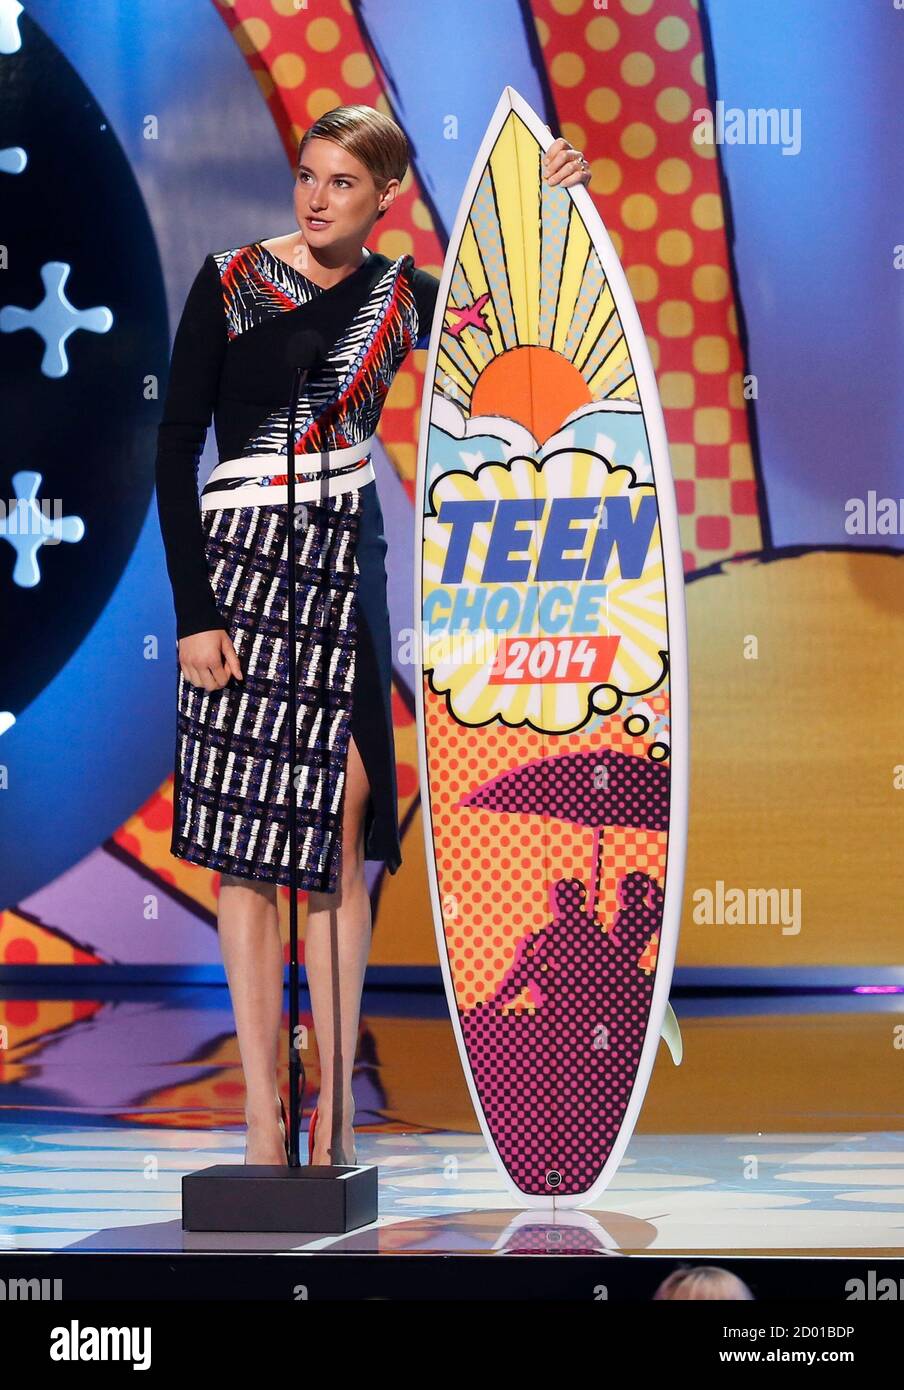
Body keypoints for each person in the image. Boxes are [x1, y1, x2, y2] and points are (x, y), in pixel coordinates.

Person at [154, 103, 591, 1167]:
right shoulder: (230, 283)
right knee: (248, 849)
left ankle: (336, 1112)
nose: (314, 196)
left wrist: (563, 210)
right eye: (307, 175)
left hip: (343, 570)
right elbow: (175, 450)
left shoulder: (400, 297)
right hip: (239, 572)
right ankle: (263, 1117)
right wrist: (195, 615)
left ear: (385, 196)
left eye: (340, 182)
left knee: (347, 821)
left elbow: (522, 343)